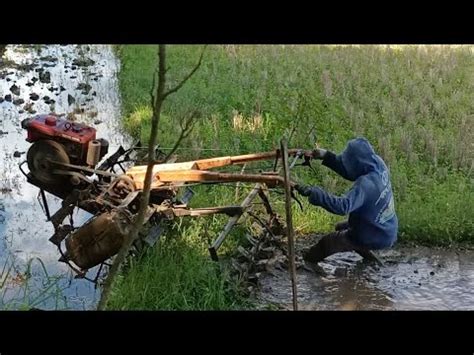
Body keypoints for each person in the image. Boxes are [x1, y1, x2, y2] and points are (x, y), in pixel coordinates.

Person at [294, 137, 398, 268]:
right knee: (340, 227)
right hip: (387, 228)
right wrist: (326, 156)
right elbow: (350, 171)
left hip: (372, 233)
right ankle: (371, 259)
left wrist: (314, 193)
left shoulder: (366, 186)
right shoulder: (378, 164)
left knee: (329, 242)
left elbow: (343, 206)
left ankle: (307, 261)